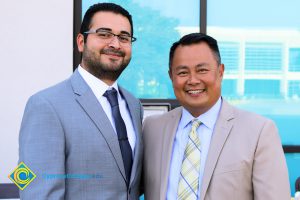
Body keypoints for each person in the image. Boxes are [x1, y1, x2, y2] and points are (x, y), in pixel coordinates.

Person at [142, 33, 291, 200]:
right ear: (171, 76)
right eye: (183, 72)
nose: (193, 80)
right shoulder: (152, 128)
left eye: (202, 70)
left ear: (220, 72)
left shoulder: (259, 131)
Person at [19, 3, 143, 199]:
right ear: (81, 41)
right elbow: (37, 193)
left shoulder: (134, 105)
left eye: (124, 37)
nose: (115, 44)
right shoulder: (45, 105)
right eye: (104, 34)